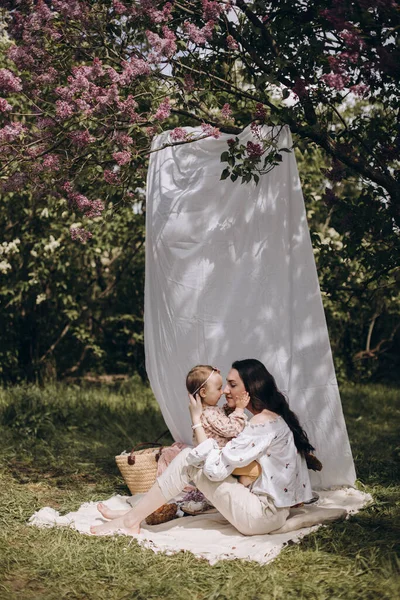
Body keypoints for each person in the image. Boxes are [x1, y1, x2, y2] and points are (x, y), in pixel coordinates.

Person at [91, 359, 314, 536]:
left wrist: (196, 419)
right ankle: (133, 516)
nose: (226, 390)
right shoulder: (271, 418)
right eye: (225, 384)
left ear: (251, 389)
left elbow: (215, 470)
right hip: (269, 513)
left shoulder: (260, 425)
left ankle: (130, 520)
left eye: (232, 385)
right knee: (191, 458)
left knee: (188, 458)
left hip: (259, 517)